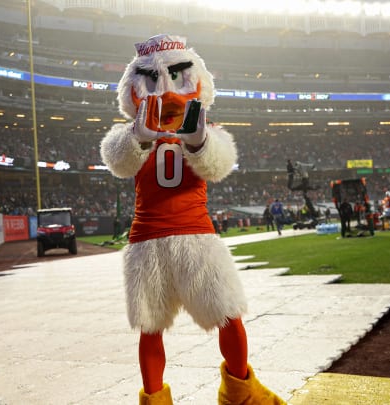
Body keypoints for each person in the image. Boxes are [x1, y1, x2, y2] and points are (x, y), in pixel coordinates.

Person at [100, 34, 284, 405]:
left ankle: (240, 391)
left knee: (227, 314)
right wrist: (138, 134)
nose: (165, 90)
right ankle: (162, 398)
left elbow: (218, 166)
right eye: (151, 81)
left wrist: (199, 142)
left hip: (193, 235)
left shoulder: (204, 126)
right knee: (152, 328)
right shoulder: (130, 133)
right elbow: (118, 161)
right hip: (150, 239)